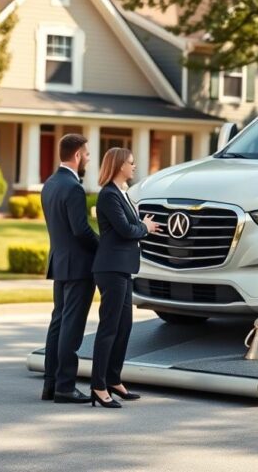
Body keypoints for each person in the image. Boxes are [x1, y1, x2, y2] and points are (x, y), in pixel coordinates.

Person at [89, 147, 161, 408]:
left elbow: (130, 224)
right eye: (131, 163)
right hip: (110, 269)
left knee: (124, 326)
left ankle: (113, 378)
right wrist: (146, 227)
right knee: (109, 327)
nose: (134, 166)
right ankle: (98, 386)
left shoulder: (123, 193)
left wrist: (141, 222)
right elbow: (125, 230)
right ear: (119, 165)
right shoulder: (108, 194)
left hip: (123, 268)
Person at [41, 134, 99, 404]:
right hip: (78, 267)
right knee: (71, 328)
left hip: (59, 263)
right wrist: (103, 246)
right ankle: (65, 386)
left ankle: (51, 384)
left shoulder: (50, 184)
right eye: (86, 154)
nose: (88, 158)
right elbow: (81, 230)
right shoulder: (74, 188)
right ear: (77, 155)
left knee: (58, 324)